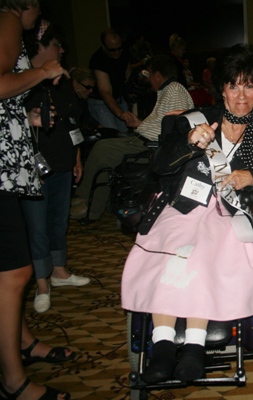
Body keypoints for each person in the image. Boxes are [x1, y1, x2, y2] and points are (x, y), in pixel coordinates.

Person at [120, 44, 253, 384]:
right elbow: (160, 165)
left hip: (229, 214)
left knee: (206, 253)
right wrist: (189, 142)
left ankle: (193, 348)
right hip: (183, 206)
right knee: (171, 252)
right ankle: (162, 347)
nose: (241, 95)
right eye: (234, 85)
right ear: (222, 88)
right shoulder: (196, 120)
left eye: (249, 85)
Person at [0, 2, 72, 399]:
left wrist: (23, 119)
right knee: (14, 273)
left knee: (8, 269)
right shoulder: (8, 18)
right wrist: (43, 72)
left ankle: (23, 343)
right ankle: (13, 380)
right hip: (1, 172)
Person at [70, 54, 194, 220]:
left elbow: (172, 128)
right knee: (104, 146)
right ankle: (90, 202)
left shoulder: (174, 90)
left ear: (157, 75)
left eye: (149, 74)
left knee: (102, 150)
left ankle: (88, 205)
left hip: (154, 148)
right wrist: (139, 123)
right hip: (151, 143)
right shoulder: (171, 90)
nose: (148, 79)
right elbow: (163, 125)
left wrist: (140, 126)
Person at [22, 20, 91, 314]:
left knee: (58, 220)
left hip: (63, 158)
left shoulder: (62, 80)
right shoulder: (20, 80)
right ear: (38, 47)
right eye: (55, 45)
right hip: (33, 164)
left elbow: (71, 120)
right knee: (37, 225)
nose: (61, 51)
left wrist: (77, 156)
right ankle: (41, 283)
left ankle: (59, 271)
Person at [88, 28, 135, 132]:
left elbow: (128, 74)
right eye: (112, 50)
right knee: (111, 134)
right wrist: (120, 113)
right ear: (104, 47)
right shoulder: (98, 59)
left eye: (119, 48)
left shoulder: (124, 52)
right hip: (101, 102)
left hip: (118, 97)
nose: (117, 52)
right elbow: (105, 92)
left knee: (125, 133)